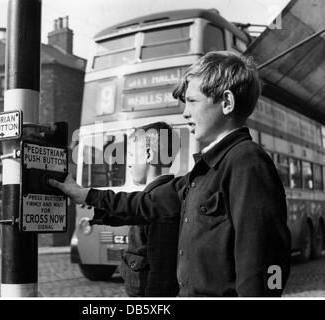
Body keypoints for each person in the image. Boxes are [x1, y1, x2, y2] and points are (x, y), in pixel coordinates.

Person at [49, 51, 291, 297]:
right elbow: (145, 203)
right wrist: (83, 194)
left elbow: (264, 261)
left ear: (227, 102)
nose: (185, 113)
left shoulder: (247, 163)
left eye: (193, 101)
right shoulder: (205, 170)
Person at [90, 122, 180, 297]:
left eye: (131, 154)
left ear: (148, 154)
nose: (127, 162)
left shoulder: (158, 200)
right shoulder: (163, 194)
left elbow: (160, 272)